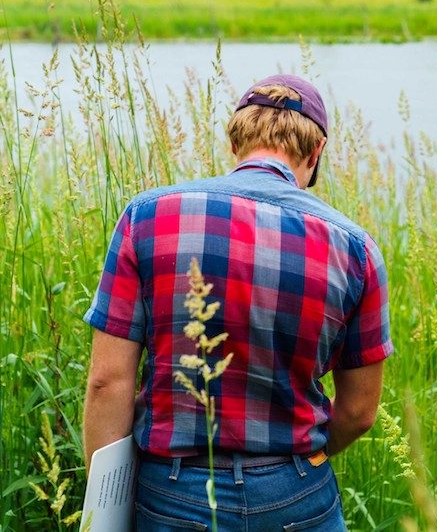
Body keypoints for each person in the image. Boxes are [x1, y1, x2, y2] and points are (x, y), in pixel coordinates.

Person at [82, 74, 393, 530]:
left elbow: (107, 383)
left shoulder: (145, 218)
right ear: (316, 153)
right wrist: (303, 462)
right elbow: (360, 412)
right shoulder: (356, 249)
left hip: (174, 494)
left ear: (236, 142)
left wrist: (105, 513)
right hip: (298, 493)